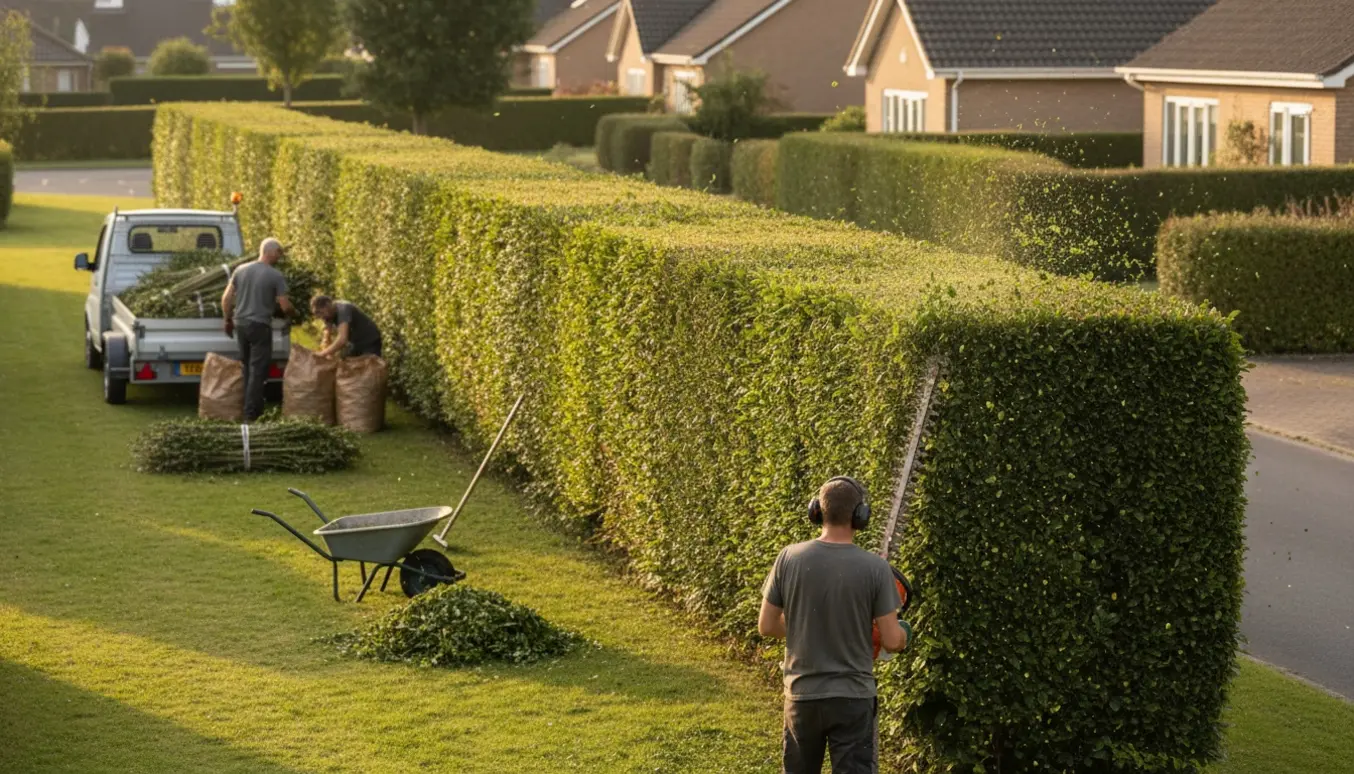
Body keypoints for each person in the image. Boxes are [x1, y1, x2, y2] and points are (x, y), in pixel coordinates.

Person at [760, 476, 911, 774]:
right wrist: (903, 633)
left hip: (802, 696)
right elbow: (892, 641)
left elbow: (766, 625)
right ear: (860, 516)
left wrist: (808, 627)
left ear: (816, 511)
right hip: (853, 698)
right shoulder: (876, 568)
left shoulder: (788, 557)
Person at [222, 238, 294, 422]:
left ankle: (248, 406)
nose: (279, 257)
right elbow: (285, 306)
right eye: (278, 253)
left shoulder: (240, 269)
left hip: (241, 324)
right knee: (258, 370)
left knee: (247, 367)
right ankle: (251, 413)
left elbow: (226, 298)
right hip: (260, 326)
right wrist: (293, 314)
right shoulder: (275, 275)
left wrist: (227, 319)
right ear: (270, 252)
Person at [312, 295, 383, 358]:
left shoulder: (343, 309)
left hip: (370, 341)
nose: (321, 317)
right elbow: (327, 336)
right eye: (318, 314)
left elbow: (342, 339)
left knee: (368, 366)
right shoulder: (328, 314)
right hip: (355, 343)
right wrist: (325, 349)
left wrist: (323, 354)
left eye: (321, 312)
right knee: (343, 362)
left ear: (328, 304)